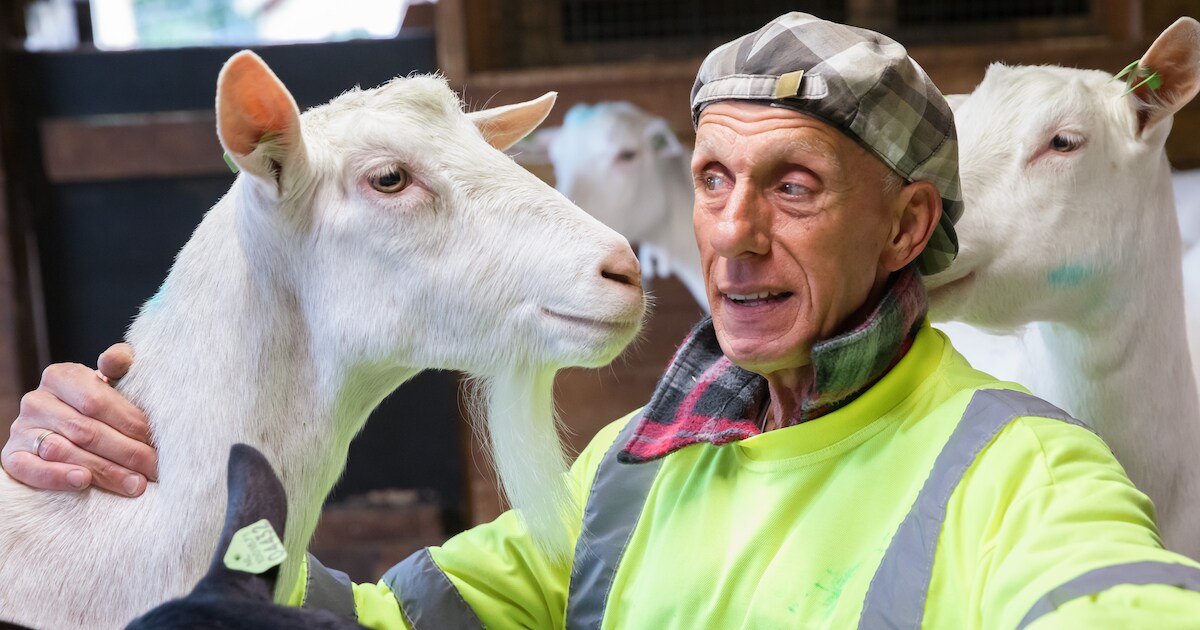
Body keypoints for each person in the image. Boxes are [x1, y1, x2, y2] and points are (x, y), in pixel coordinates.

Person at [5, 12, 1200, 628]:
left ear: (903, 230)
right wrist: (157, 526)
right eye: (716, 181)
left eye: (794, 187)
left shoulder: (1022, 470)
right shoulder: (639, 468)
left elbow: (1115, 597)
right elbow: (393, 617)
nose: (728, 237)